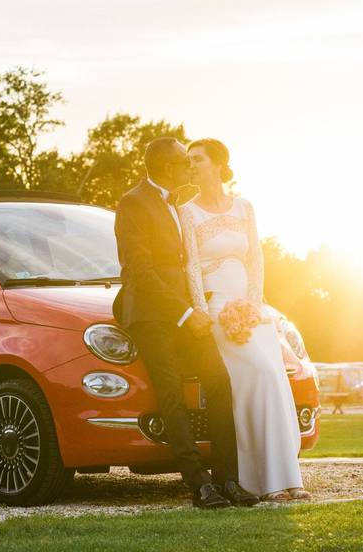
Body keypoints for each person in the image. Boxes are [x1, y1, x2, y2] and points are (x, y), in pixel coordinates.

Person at [113, 137, 259, 509]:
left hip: (186, 312)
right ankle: (199, 484)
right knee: (172, 393)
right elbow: (139, 271)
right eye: (184, 162)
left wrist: (196, 307)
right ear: (167, 167)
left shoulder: (180, 204)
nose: (190, 167)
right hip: (151, 315)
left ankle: (228, 478)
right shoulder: (133, 203)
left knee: (218, 380)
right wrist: (184, 313)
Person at [179, 138, 311, 501]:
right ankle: (263, 482)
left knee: (276, 383)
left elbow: (256, 260)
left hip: (252, 311)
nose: (191, 165)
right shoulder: (188, 213)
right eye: (189, 160)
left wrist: (253, 307)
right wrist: (203, 312)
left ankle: (289, 479)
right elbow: (190, 264)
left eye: (198, 159)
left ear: (219, 164)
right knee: (260, 376)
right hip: (217, 309)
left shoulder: (245, 207)